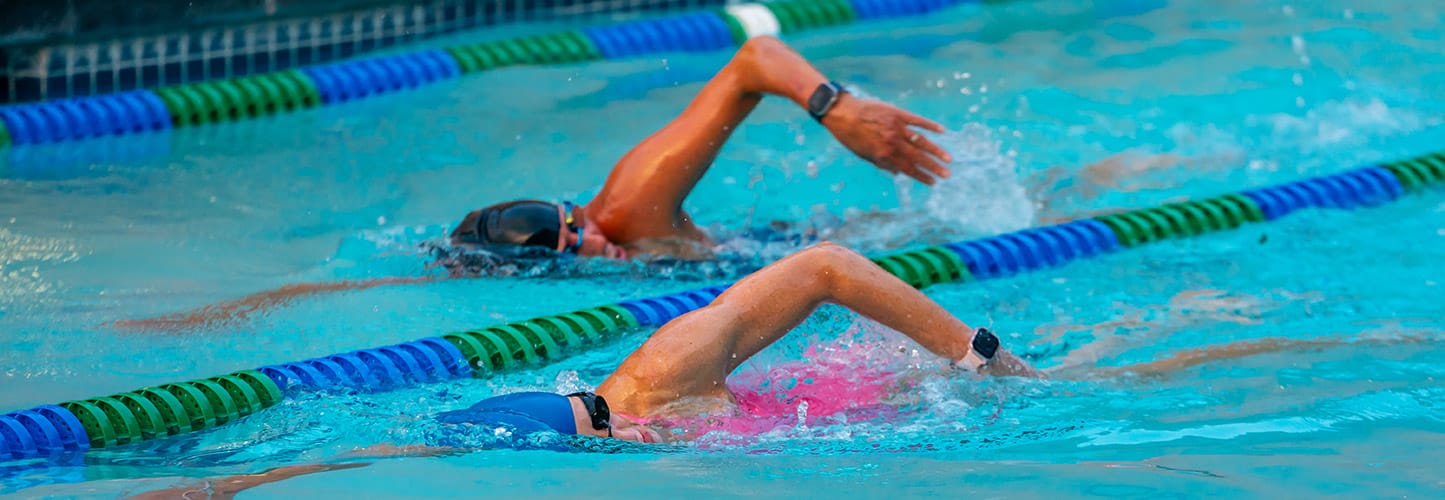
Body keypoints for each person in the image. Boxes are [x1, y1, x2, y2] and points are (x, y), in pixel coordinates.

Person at [111, 35, 954, 332]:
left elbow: (755, 58)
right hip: (746, 265)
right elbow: (389, 279)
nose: (585, 233)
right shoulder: (572, 261)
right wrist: (236, 306)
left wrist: (831, 105)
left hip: (806, 246)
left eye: (568, 220)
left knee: (959, 220)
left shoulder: (628, 207)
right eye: (566, 240)